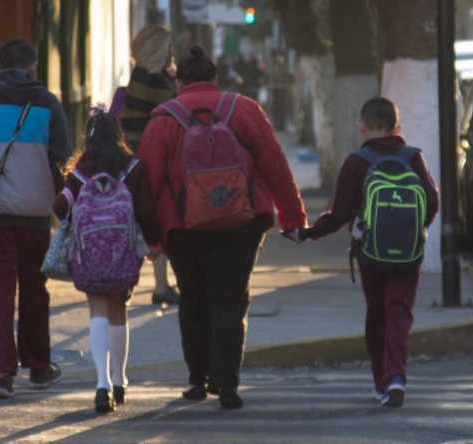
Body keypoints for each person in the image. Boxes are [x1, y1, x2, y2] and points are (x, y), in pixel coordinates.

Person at [138, 46, 307, 409]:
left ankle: (197, 381)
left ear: (178, 81)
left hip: (182, 227)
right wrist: (293, 218)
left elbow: (148, 181)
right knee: (230, 300)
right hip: (241, 222)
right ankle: (227, 384)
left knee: (193, 299)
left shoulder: (163, 118)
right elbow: (275, 165)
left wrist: (149, 237)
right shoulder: (243, 109)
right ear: (215, 79)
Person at [301, 97, 439, 407]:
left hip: (371, 254)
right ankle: (396, 377)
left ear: (361, 127)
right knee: (399, 312)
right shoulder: (414, 158)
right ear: (397, 127)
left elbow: (338, 215)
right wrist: (416, 231)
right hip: (408, 253)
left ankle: (381, 381)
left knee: (377, 313)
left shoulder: (356, 161)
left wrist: (308, 234)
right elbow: (432, 200)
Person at [0, 39, 72, 399]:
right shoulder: (48, 102)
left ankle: (2, 375)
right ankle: (38, 368)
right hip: (37, 211)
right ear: (32, 68)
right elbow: (63, 153)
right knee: (35, 292)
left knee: (0, 291)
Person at [52, 109, 159, 413]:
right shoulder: (133, 167)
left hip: (90, 254)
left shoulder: (81, 171)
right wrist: (153, 244)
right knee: (119, 310)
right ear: (118, 135)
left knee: (97, 308)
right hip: (123, 253)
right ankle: (121, 379)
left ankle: (102, 384)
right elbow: (146, 212)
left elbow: (60, 207)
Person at [117, 25, 181, 305]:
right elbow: (175, 119)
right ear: (158, 50)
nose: (172, 51)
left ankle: (137, 282)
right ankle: (159, 286)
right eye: (168, 46)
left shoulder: (138, 78)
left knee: (141, 222)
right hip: (150, 161)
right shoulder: (156, 84)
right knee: (156, 221)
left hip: (132, 161)